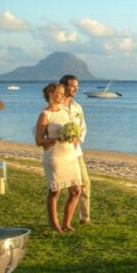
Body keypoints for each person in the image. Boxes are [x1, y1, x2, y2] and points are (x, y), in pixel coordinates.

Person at [34, 82, 82, 232]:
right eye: (58, 94)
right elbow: (39, 141)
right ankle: (55, 225)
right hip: (55, 156)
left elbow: (72, 129)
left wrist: (74, 135)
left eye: (62, 94)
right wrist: (57, 139)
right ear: (50, 95)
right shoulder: (45, 114)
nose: (61, 97)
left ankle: (66, 224)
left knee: (76, 191)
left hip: (69, 155)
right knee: (55, 191)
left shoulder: (64, 112)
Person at [60, 74, 91, 224]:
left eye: (76, 87)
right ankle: (57, 221)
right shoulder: (55, 107)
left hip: (76, 152)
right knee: (58, 189)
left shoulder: (77, 107)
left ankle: (84, 218)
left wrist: (78, 138)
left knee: (85, 183)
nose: (75, 89)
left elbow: (82, 127)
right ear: (63, 86)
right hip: (60, 153)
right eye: (72, 86)